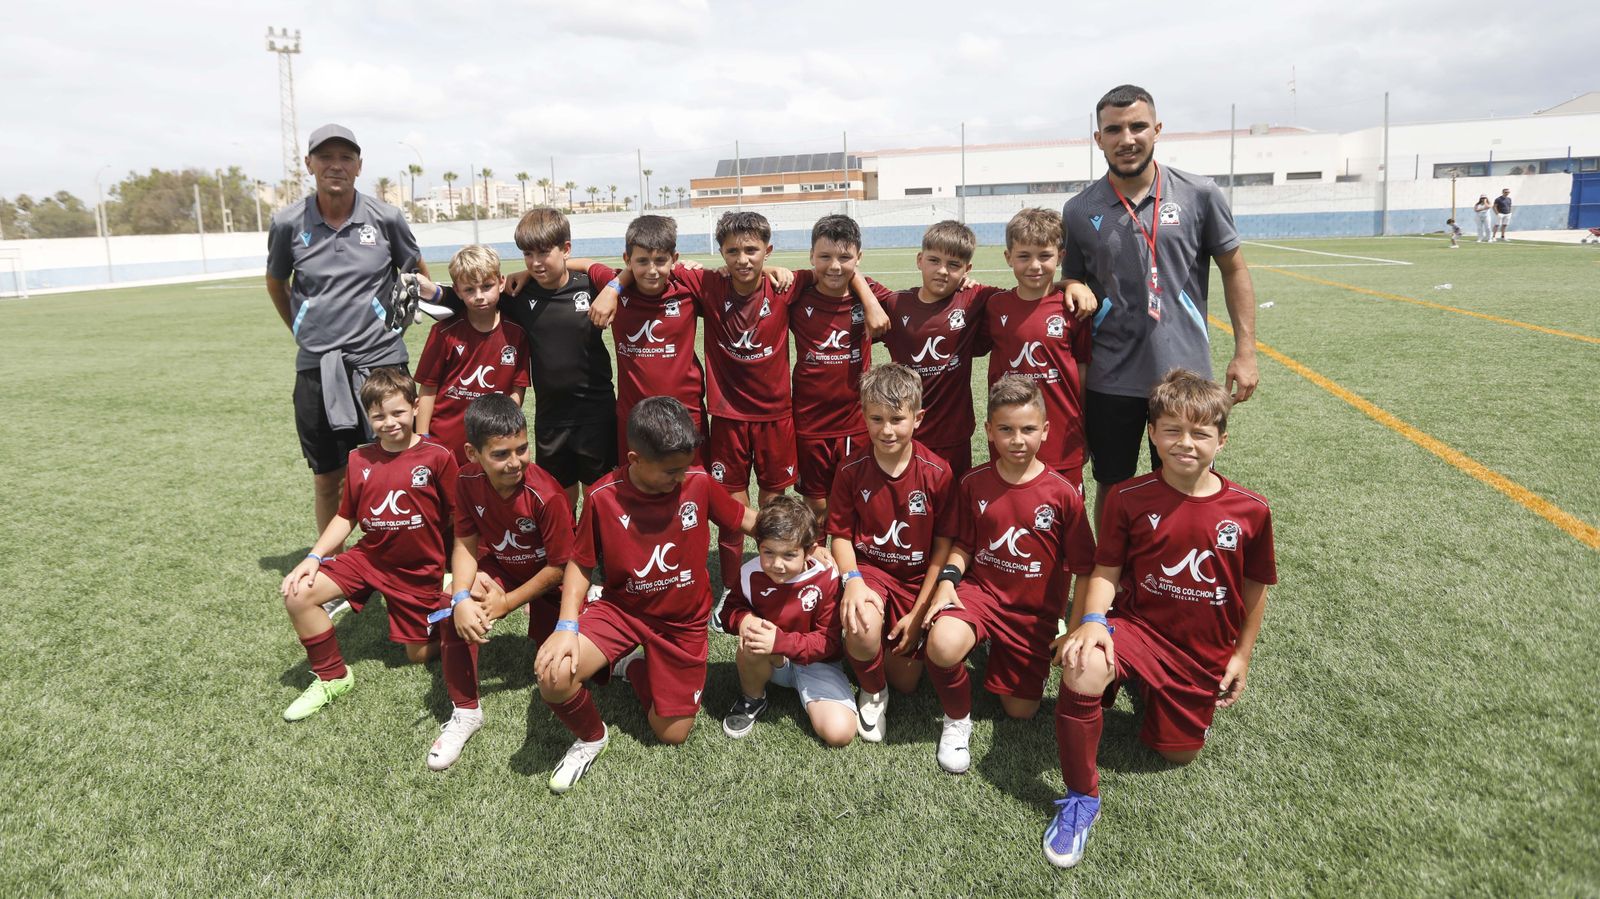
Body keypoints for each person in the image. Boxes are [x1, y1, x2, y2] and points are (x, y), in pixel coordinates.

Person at [1047, 369, 1276, 869]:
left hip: (1201, 650)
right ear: (1152, 433)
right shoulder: (1129, 497)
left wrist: (1241, 656)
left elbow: (1255, 589)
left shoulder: (1251, 510)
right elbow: (1107, 568)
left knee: (1176, 753)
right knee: (1083, 663)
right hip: (1140, 630)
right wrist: (1092, 619)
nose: (1185, 443)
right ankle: (1081, 798)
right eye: (1172, 430)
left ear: (1222, 440)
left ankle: (1156, 692)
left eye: (1200, 433)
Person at [533, 397, 757, 793]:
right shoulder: (602, 496)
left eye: (685, 467)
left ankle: (633, 666)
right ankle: (592, 738)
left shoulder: (698, 482)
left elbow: (748, 520)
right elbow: (580, 564)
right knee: (554, 674)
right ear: (635, 459)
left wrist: (807, 543)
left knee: (672, 733)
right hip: (622, 610)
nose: (681, 477)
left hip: (682, 622)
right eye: (671, 471)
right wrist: (566, 626)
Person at [1060, 85, 1260, 527]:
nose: (1126, 138)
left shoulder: (1200, 194)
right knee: (1112, 483)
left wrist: (1245, 350)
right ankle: (1111, 567)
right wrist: (1072, 284)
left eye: (1137, 126)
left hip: (1185, 374)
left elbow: (1234, 269)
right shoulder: (1078, 209)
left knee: (1186, 480)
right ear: (1098, 138)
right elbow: (1070, 274)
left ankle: (1175, 568)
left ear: (1157, 129)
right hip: (1111, 376)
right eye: (1114, 130)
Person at [921, 376, 1096, 775]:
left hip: (1032, 614)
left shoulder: (1063, 494)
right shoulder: (973, 482)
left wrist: (1072, 629)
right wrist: (947, 582)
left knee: (1020, 711)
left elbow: (1084, 569)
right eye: (1006, 429)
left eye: (1028, 429)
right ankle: (957, 720)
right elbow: (964, 545)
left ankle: (1004, 651)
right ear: (989, 431)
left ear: (1045, 430)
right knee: (943, 644)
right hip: (982, 596)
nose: (1017, 440)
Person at [265, 123, 431, 534]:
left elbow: (417, 276)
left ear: (359, 166)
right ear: (309, 164)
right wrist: (302, 329)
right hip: (319, 369)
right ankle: (331, 562)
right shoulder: (288, 223)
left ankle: (402, 555)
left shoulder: (387, 218)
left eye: (345, 157)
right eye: (325, 157)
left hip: (382, 365)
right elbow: (276, 282)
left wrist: (394, 326)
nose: (335, 165)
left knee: (399, 467)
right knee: (328, 479)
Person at [276, 369, 457, 722]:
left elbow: (458, 517)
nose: (389, 422)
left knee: (417, 656)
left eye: (398, 412)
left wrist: (456, 569)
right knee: (298, 594)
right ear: (368, 417)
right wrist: (314, 557)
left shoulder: (437, 456)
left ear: (415, 407)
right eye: (378, 416)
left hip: (417, 570)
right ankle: (333, 677)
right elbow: (346, 516)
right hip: (369, 558)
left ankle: (446, 607)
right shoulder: (359, 460)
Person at [428, 208, 619, 509]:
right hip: (550, 415)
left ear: (566, 249)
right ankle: (566, 537)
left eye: (543, 252)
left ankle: (596, 538)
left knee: (598, 493)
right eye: (528, 254)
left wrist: (612, 289)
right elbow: (468, 297)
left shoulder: (591, 286)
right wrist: (428, 290)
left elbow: (632, 276)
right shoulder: (518, 294)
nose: (536, 262)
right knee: (560, 495)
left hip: (596, 411)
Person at [427, 394, 574, 771]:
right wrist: (462, 596)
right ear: (472, 453)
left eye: (522, 449)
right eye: (500, 454)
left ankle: (613, 654)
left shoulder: (547, 495)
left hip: (552, 584)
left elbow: (561, 568)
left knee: (561, 669)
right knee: (449, 606)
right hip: (503, 569)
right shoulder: (466, 479)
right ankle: (466, 711)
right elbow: (464, 542)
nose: (515, 462)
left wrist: (508, 602)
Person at [827, 363, 957, 741]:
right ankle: (872, 689)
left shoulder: (938, 472)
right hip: (872, 573)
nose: (886, 430)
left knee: (907, 683)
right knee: (862, 623)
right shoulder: (851, 469)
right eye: (877, 419)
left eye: (897, 419)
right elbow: (840, 536)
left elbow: (943, 546)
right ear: (863, 416)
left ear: (918, 418)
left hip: (917, 579)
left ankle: (871, 652)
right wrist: (852, 580)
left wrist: (919, 612)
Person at [718, 495, 856, 747]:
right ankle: (752, 698)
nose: (777, 564)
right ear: (758, 545)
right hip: (772, 658)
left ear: (810, 551)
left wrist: (780, 641)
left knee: (840, 733)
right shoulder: (749, 573)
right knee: (752, 637)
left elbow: (829, 643)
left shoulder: (827, 577)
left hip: (818, 663)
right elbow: (729, 611)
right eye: (768, 552)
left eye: (789, 555)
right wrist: (743, 620)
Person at [981, 208, 1094, 489]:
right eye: (1024, 256)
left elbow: (1082, 371)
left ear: (1061, 256)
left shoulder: (1073, 307)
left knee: (1065, 508)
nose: (1035, 265)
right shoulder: (994, 305)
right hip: (1010, 436)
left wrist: (1084, 425)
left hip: (1062, 437)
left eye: (1044, 256)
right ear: (1008, 257)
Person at [791, 214, 890, 518]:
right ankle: (818, 549)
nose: (834, 266)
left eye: (845, 258)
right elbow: (760, 280)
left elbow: (919, 303)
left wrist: (869, 299)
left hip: (854, 420)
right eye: (825, 257)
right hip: (809, 421)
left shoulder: (871, 295)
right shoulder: (797, 295)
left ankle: (852, 550)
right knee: (816, 504)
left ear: (859, 258)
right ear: (811, 256)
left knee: (853, 498)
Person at [413, 245, 529, 465]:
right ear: (457, 291)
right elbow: (428, 388)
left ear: (501, 282)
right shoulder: (443, 332)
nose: (479, 296)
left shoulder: (516, 334)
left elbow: (517, 390)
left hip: (493, 443)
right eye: (469, 290)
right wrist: (422, 437)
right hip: (444, 442)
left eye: (487, 286)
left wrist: (503, 428)